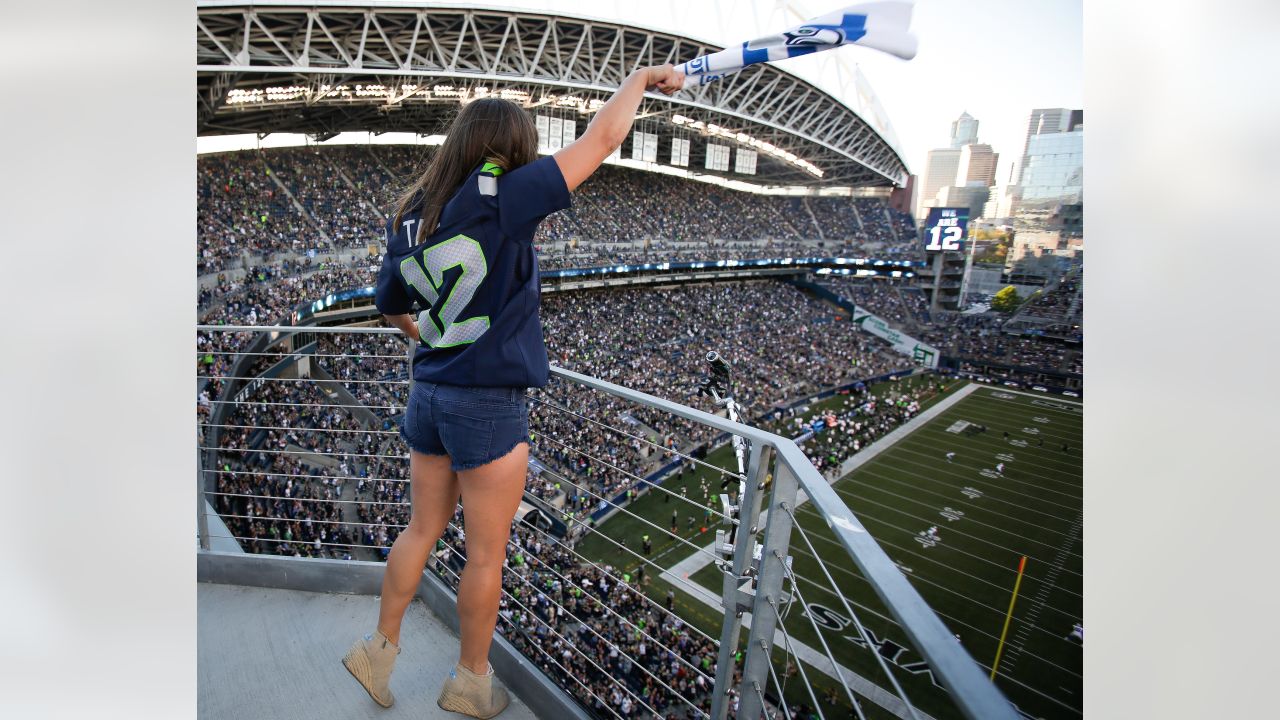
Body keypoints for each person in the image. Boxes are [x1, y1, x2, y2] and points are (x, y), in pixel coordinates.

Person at [341, 63, 684, 719]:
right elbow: (604, 139)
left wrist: (432, 338)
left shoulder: (411, 215)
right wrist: (638, 81)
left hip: (429, 392)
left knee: (420, 529)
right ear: (511, 146)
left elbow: (389, 306)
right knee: (486, 558)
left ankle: (377, 651)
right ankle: (470, 682)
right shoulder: (506, 193)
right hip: (488, 403)